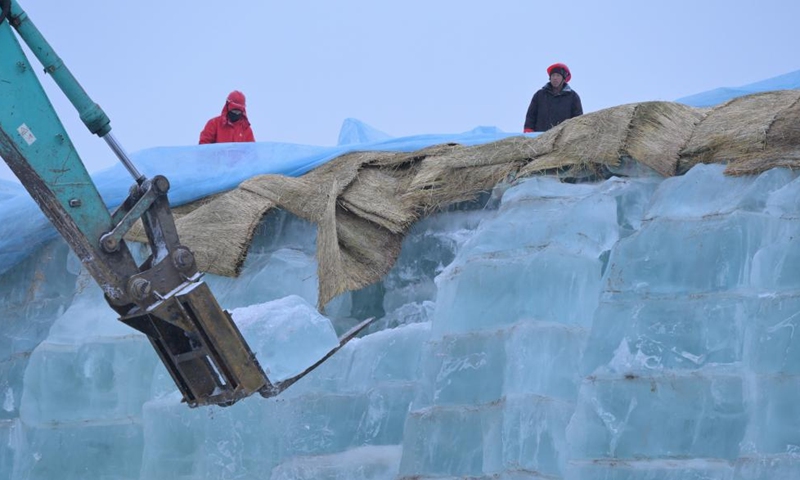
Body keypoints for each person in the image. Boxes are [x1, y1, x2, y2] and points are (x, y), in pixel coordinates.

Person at [524, 63, 583, 133]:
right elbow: (531, 115)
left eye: (558, 75)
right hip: (540, 137)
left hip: (564, 138)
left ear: (563, 79)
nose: (555, 78)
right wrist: (528, 131)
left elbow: (578, 118)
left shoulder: (573, 97)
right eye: (553, 75)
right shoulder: (540, 95)